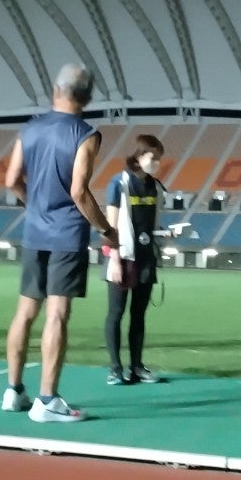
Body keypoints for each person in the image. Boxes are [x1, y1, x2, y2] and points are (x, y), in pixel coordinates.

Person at [1, 63, 117, 422]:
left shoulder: (30, 128)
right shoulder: (86, 134)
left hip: (35, 232)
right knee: (57, 314)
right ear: (89, 97)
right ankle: (47, 400)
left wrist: (35, 206)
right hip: (66, 235)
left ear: (55, 90)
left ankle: (13, 390)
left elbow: (11, 180)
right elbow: (79, 192)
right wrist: (106, 229)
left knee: (25, 313)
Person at [102, 134, 170, 385]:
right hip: (122, 257)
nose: (156, 163)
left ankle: (137, 367)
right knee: (116, 313)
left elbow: (152, 224)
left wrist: (165, 233)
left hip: (146, 258)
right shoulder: (119, 183)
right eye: (153, 158)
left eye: (159, 159)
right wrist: (115, 259)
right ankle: (115, 368)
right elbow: (110, 226)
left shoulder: (156, 186)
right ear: (139, 156)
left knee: (138, 315)